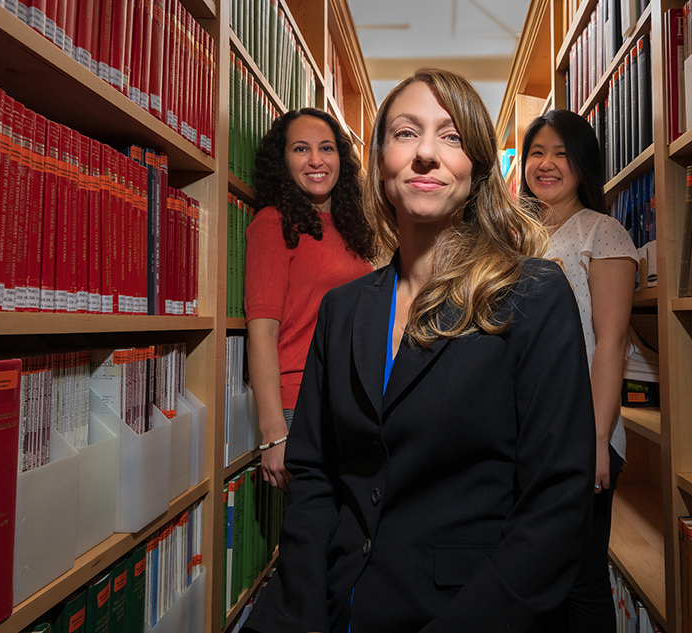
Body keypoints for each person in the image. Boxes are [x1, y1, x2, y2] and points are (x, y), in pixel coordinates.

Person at [244, 69, 596, 633]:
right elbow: (314, 476)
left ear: (477, 168)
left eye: (451, 136)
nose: (427, 153)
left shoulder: (533, 294)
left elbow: (555, 503)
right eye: (406, 133)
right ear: (380, 161)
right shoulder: (343, 310)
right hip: (339, 607)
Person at [519, 109, 638, 632]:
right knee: (531, 580)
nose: (546, 164)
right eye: (537, 152)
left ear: (583, 163)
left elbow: (610, 343)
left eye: (561, 153)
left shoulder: (603, 232)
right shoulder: (514, 238)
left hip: (581, 434)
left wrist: (596, 440)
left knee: (581, 581)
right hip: (524, 433)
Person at [245, 108, 375, 492]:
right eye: (301, 149)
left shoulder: (351, 228)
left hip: (349, 400)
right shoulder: (273, 223)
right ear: (282, 161)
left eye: (327, 148)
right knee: (314, 533)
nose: (316, 160)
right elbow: (263, 332)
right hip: (299, 404)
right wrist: (273, 435)